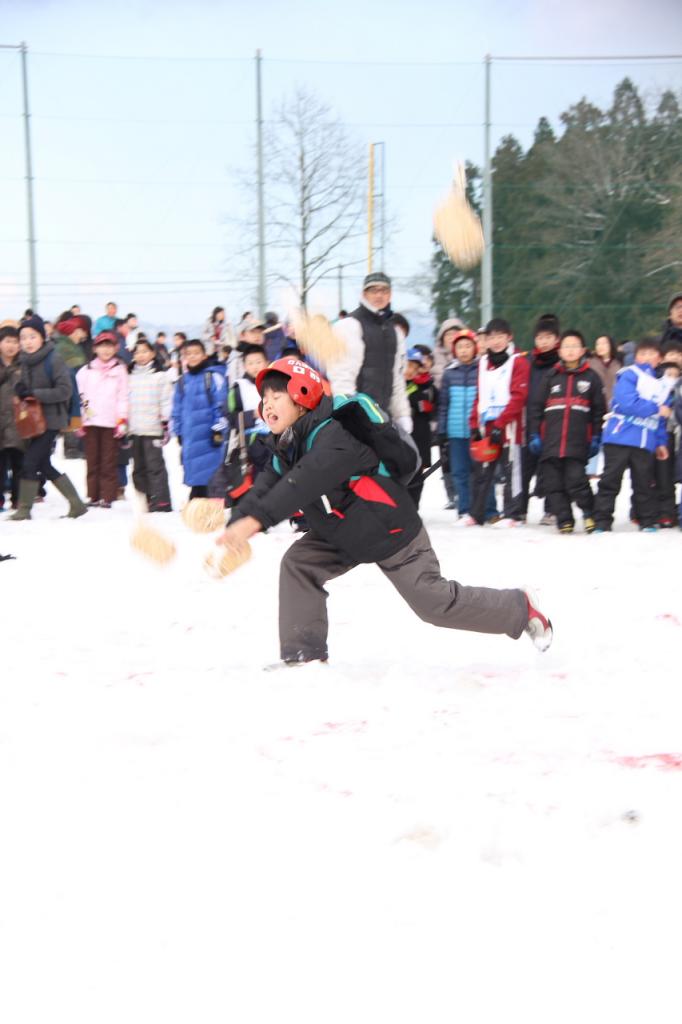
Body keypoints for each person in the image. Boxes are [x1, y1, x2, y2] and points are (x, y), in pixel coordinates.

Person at [216, 357, 553, 668]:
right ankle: (304, 658)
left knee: (434, 604)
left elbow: (302, 483)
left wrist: (255, 521)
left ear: (302, 395)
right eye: (264, 398)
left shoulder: (334, 436)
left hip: (388, 529)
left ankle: (521, 609)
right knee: (299, 563)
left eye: (276, 395)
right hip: (341, 532)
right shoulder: (286, 447)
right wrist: (235, 524)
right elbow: (263, 488)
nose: (267, 404)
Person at [527, 330, 606, 534]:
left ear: (582, 351)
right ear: (560, 351)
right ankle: (564, 518)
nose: (570, 351)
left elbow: (599, 411)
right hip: (551, 442)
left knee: (577, 481)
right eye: (566, 347)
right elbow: (535, 408)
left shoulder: (591, 378)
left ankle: (589, 513)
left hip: (576, 443)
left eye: (574, 346)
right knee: (553, 483)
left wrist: (596, 435)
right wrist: (534, 433)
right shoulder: (550, 376)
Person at [10, 314, 86, 520]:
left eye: (32, 336)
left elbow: (64, 390)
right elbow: (28, 392)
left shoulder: (54, 358)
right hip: (33, 421)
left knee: (30, 462)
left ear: (42, 337)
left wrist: (35, 393)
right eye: (23, 337)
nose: (27, 341)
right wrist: (21, 389)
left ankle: (24, 509)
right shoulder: (25, 361)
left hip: (52, 420)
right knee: (44, 465)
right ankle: (77, 504)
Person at [594, 338, 674, 532]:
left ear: (660, 358)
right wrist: (655, 408)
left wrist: (661, 443)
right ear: (636, 357)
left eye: (651, 354)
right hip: (620, 436)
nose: (646, 358)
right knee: (610, 481)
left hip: (645, 440)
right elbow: (626, 402)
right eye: (642, 354)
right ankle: (602, 522)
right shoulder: (629, 373)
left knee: (644, 483)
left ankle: (647, 521)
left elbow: (661, 421)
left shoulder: (664, 385)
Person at [329, 272, 411, 432]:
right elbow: (342, 376)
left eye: (384, 290)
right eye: (374, 290)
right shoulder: (349, 326)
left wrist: (402, 414)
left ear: (390, 294)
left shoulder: (394, 332)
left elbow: (397, 379)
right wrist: (348, 412)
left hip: (384, 417)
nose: (379, 295)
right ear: (364, 294)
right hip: (357, 416)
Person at [469, 318, 530, 526]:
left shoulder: (518, 361)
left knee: (510, 469)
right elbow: (480, 395)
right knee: (482, 470)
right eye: (491, 337)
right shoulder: (483, 363)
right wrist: (474, 424)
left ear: (509, 337)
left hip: (509, 426)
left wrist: (501, 424)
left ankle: (512, 514)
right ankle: (476, 513)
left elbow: (519, 396)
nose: (495, 341)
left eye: (500, 336)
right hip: (486, 425)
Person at [438, 329, 497, 525]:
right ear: (454, 350)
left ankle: (489, 510)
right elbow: (444, 403)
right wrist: (442, 429)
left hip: (478, 432)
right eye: (460, 347)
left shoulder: (483, 370)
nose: (464, 351)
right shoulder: (449, 373)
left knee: (482, 472)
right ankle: (464, 510)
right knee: (459, 472)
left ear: (475, 348)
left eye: (468, 346)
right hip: (456, 432)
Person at [76, 332, 129, 508]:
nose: (105, 350)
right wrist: (81, 419)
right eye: (102, 346)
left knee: (108, 460)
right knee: (92, 460)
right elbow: (80, 396)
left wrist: (122, 420)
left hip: (110, 422)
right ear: (95, 348)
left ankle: (107, 496)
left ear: (115, 348)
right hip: (90, 422)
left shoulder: (120, 370)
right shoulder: (86, 371)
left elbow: (123, 397)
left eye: (109, 346)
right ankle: (93, 495)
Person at [171, 339, 227, 499]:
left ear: (204, 355)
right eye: (189, 354)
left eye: (196, 353)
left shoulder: (212, 377)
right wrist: (178, 431)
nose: (193, 356)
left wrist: (218, 428)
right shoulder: (182, 381)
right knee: (194, 473)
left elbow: (220, 405)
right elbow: (176, 409)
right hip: (190, 437)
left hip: (208, 436)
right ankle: (197, 504)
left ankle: (204, 504)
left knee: (210, 474)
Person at [521, 314, 561, 525]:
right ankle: (520, 510)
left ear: (556, 339)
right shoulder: (529, 361)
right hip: (530, 420)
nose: (544, 341)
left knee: (551, 469)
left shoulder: (561, 362)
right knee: (525, 467)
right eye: (540, 337)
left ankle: (551, 509)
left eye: (548, 337)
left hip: (554, 423)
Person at [128, 337, 173, 512]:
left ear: (153, 353)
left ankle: (161, 501)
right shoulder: (129, 376)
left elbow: (166, 400)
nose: (141, 355)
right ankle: (147, 497)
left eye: (145, 351)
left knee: (155, 467)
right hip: (134, 428)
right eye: (137, 352)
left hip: (153, 428)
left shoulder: (160, 376)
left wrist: (165, 421)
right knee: (138, 468)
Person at [52, 312, 92, 457]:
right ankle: (71, 449)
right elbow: (78, 370)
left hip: (69, 389)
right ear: (74, 331)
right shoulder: (67, 348)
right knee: (71, 414)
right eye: (81, 331)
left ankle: (71, 447)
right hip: (69, 388)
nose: (82, 336)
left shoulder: (68, 345)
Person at [404, 346, 437, 508]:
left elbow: (428, 406)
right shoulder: (393, 385)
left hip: (420, 436)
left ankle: (413, 508)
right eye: (408, 365)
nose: (411, 370)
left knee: (417, 475)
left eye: (415, 368)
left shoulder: (424, 386)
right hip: (402, 438)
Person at [0, 325, 25, 511]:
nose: (11, 346)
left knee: (19, 464)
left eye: (15, 342)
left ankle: (17, 499)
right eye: (7, 341)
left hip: (20, 422)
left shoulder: (25, 365)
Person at [433, 318, 465, 390]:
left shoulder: (471, 355)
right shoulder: (435, 356)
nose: (451, 337)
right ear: (442, 338)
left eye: (455, 334)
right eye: (448, 334)